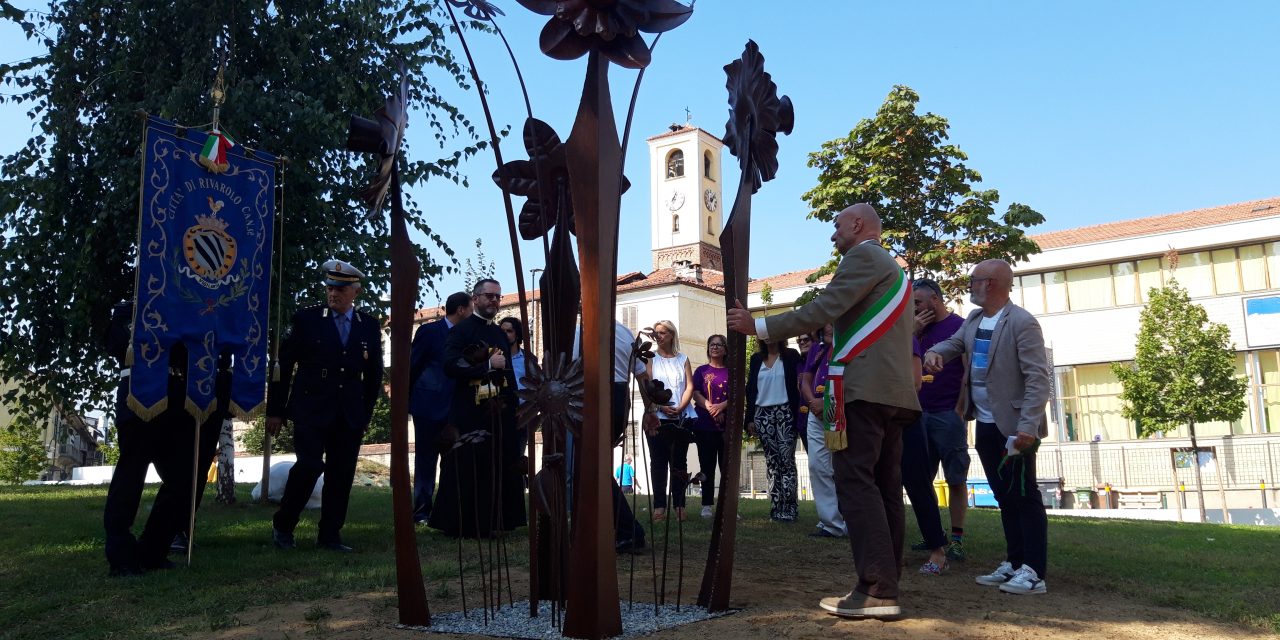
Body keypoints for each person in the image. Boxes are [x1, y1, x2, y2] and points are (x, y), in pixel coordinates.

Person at [728, 203, 920, 620]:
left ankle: (876, 590)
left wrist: (758, 328)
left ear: (856, 224)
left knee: (855, 484)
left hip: (863, 392)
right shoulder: (895, 268)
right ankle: (886, 582)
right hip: (891, 394)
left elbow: (822, 308)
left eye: (836, 227)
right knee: (884, 488)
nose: (833, 236)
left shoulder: (864, 256)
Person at [924, 259, 1051, 596]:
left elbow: (1038, 380)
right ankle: (1014, 562)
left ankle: (1035, 572)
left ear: (991, 283)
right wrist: (936, 352)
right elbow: (954, 344)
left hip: (1015, 427)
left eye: (974, 280)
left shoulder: (1022, 323)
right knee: (1004, 496)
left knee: (1025, 497)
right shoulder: (976, 319)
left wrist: (1027, 428)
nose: (969, 285)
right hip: (984, 422)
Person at [102, 302, 231, 574]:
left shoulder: (187, 311)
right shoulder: (129, 311)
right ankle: (121, 555)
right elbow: (117, 346)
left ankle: (152, 550)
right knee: (131, 473)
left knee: (183, 479)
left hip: (177, 400)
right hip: (139, 397)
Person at [267, 259, 384, 552]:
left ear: (355, 292)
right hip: (310, 406)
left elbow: (373, 375)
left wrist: (366, 412)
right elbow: (283, 365)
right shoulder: (307, 320)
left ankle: (330, 535)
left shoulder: (368, 325)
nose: (334, 294)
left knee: (341, 473)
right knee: (309, 465)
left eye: (341, 289)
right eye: (330, 288)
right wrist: (275, 410)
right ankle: (283, 525)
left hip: (349, 411)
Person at [428, 278, 527, 538]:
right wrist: (485, 366)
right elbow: (450, 365)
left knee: (495, 464)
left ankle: (492, 520)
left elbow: (506, 372)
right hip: (469, 410)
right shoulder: (461, 331)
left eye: (498, 296)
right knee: (467, 465)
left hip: (497, 410)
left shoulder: (497, 333)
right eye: (489, 296)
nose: (494, 301)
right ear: (476, 298)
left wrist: (514, 403)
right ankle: (461, 523)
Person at [908, 278, 970, 561]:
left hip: (948, 413)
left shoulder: (959, 327)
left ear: (935, 299)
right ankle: (934, 536)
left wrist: (960, 407)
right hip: (920, 413)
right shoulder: (915, 330)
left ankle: (957, 538)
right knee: (922, 478)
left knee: (955, 477)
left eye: (918, 302)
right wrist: (914, 332)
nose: (915, 308)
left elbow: (968, 369)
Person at [408, 291, 472, 525]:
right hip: (428, 407)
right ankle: (422, 511)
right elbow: (413, 366)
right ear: (461, 309)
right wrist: (409, 400)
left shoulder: (467, 335)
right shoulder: (429, 331)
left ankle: (447, 510)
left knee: (453, 460)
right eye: (471, 307)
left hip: (455, 408)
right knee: (426, 459)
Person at [902, 334, 949, 574]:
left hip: (905, 419)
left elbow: (915, 382)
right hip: (878, 423)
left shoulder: (905, 339)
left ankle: (937, 551)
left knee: (918, 486)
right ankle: (886, 549)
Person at [745, 336, 803, 522]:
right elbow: (751, 389)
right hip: (763, 414)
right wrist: (750, 418)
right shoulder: (756, 359)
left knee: (786, 461)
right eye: (765, 335)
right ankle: (776, 508)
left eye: (773, 333)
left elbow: (800, 381)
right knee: (772, 463)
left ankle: (790, 508)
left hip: (785, 412)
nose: (769, 338)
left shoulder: (791, 355)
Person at [644, 319, 696, 522]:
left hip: (681, 417)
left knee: (679, 463)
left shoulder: (683, 358)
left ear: (672, 335)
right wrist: (659, 407)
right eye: (656, 332)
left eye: (663, 332)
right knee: (657, 462)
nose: (659, 336)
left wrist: (681, 406)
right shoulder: (650, 359)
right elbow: (647, 385)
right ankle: (659, 507)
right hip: (657, 417)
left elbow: (689, 386)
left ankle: (680, 505)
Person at [797, 324, 846, 539]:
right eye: (824, 322)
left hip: (842, 412)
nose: (827, 326)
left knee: (844, 468)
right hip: (815, 414)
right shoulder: (817, 349)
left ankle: (850, 520)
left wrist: (828, 403)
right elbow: (806, 379)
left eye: (832, 321)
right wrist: (813, 402)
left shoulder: (850, 345)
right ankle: (831, 523)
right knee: (817, 465)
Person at [691, 334, 729, 519]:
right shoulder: (701, 371)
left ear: (725, 349)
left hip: (726, 427)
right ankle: (706, 504)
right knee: (706, 466)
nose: (715, 347)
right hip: (704, 426)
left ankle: (728, 506)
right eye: (712, 344)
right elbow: (695, 392)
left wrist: (721, 407)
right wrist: (710, 406)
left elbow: (738, 395)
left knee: (727, 467)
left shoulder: (731, 372)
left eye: (719, 344)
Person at [793, 332, 814, 453]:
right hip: (803, 420)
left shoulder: (821, 360)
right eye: (799, 341)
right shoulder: (798, 364)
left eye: (806, 340)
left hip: (820, 415)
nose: (801, 343)